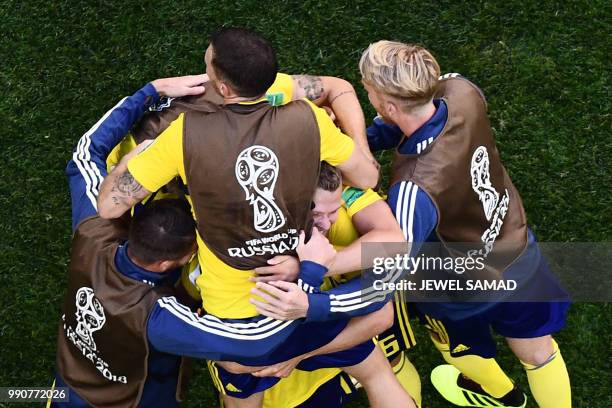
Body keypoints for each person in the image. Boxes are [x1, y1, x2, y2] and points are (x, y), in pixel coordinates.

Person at [54, 75, 401, 407]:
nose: (326, 221)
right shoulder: (156, 316)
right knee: (376, 369)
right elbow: (248, 349)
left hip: (66, 388)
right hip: (132, 401)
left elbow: (84, 155)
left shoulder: (95, 230)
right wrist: (310, 277)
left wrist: (151, 90)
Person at [358, 40, 571, 408]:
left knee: (456, 349)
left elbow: (395, 257)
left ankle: (504, 396)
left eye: (370, 92)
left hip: (461, 291)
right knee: (540, 353)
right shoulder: (462, 90)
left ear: (387, 106)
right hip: (518, 253)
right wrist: (365, 136)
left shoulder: (412, 187)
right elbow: (417, 118)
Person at [255, 162, 422, 407]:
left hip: (343, 317)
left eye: (333, 211)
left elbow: (394, 246)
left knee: (387, 364)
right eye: (316, 215)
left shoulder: (342, 191)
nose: (326, 223)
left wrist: (312, 266)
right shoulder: (264, 231)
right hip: (293, 343)